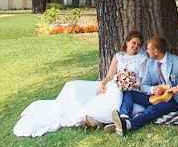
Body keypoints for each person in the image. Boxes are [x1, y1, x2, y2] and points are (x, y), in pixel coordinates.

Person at [13, 30, 147, 137]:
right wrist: (103, 83)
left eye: (138, 45)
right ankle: (90, 116)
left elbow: (143, 80)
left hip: (131, 89)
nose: (135, 46)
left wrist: (131, 84)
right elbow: (110, 75)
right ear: (128, 41)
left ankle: (102, 119)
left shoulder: (142, 59)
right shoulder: (118, 56)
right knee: (73, 86)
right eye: (134, 43)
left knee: (118, 96)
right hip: (115, 84)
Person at [105, 35, 178, 136]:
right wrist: (153, 89)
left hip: (176, 100)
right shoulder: (151, 63)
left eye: (148, 49)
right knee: (129, 93)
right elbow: (144, 85)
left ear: (156, 51)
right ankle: (124, 118)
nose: (147, 52)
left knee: (153, 109)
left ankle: (128, 125)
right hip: (156, 97)